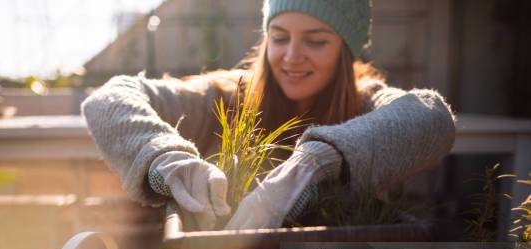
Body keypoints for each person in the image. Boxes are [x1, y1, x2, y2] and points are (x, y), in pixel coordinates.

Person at [82, 0, 456, 231]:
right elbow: (109, 99)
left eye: (315, 40)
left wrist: (312, 164)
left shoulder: (364, 103)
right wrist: (167, 158)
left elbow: (432, 116)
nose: (292, 55)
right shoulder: (226, 98)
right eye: (279, 37)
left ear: (346, 50)